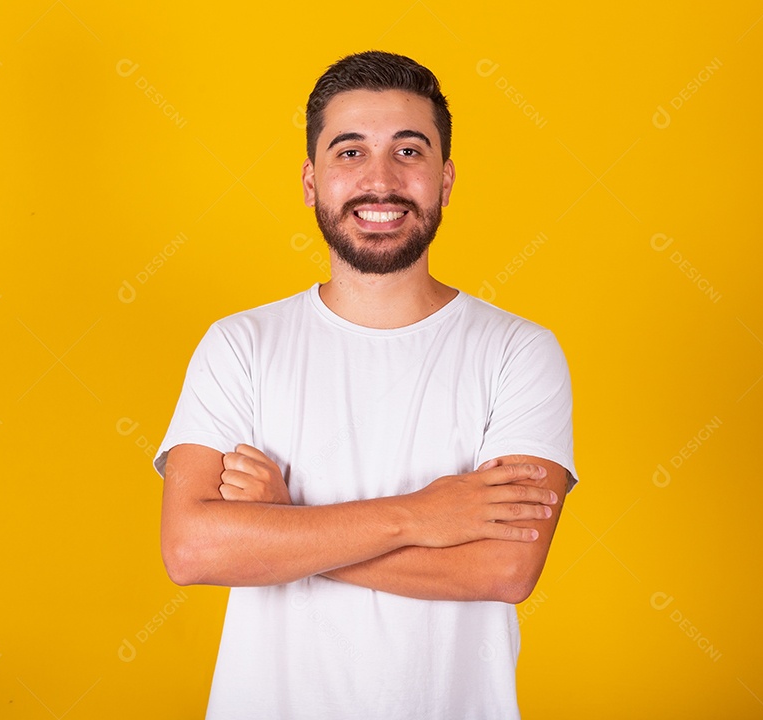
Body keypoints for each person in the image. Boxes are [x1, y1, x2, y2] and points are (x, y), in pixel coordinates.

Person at [154, 50, 578, 720]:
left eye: (409, 151)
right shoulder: (239, 346)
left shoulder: (518, 351)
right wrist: (421, 518)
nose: (380, 180)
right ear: (309, 179)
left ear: (446, 178)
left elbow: (503, 569)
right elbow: (192, 548)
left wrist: (282, 528)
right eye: (349, 153)